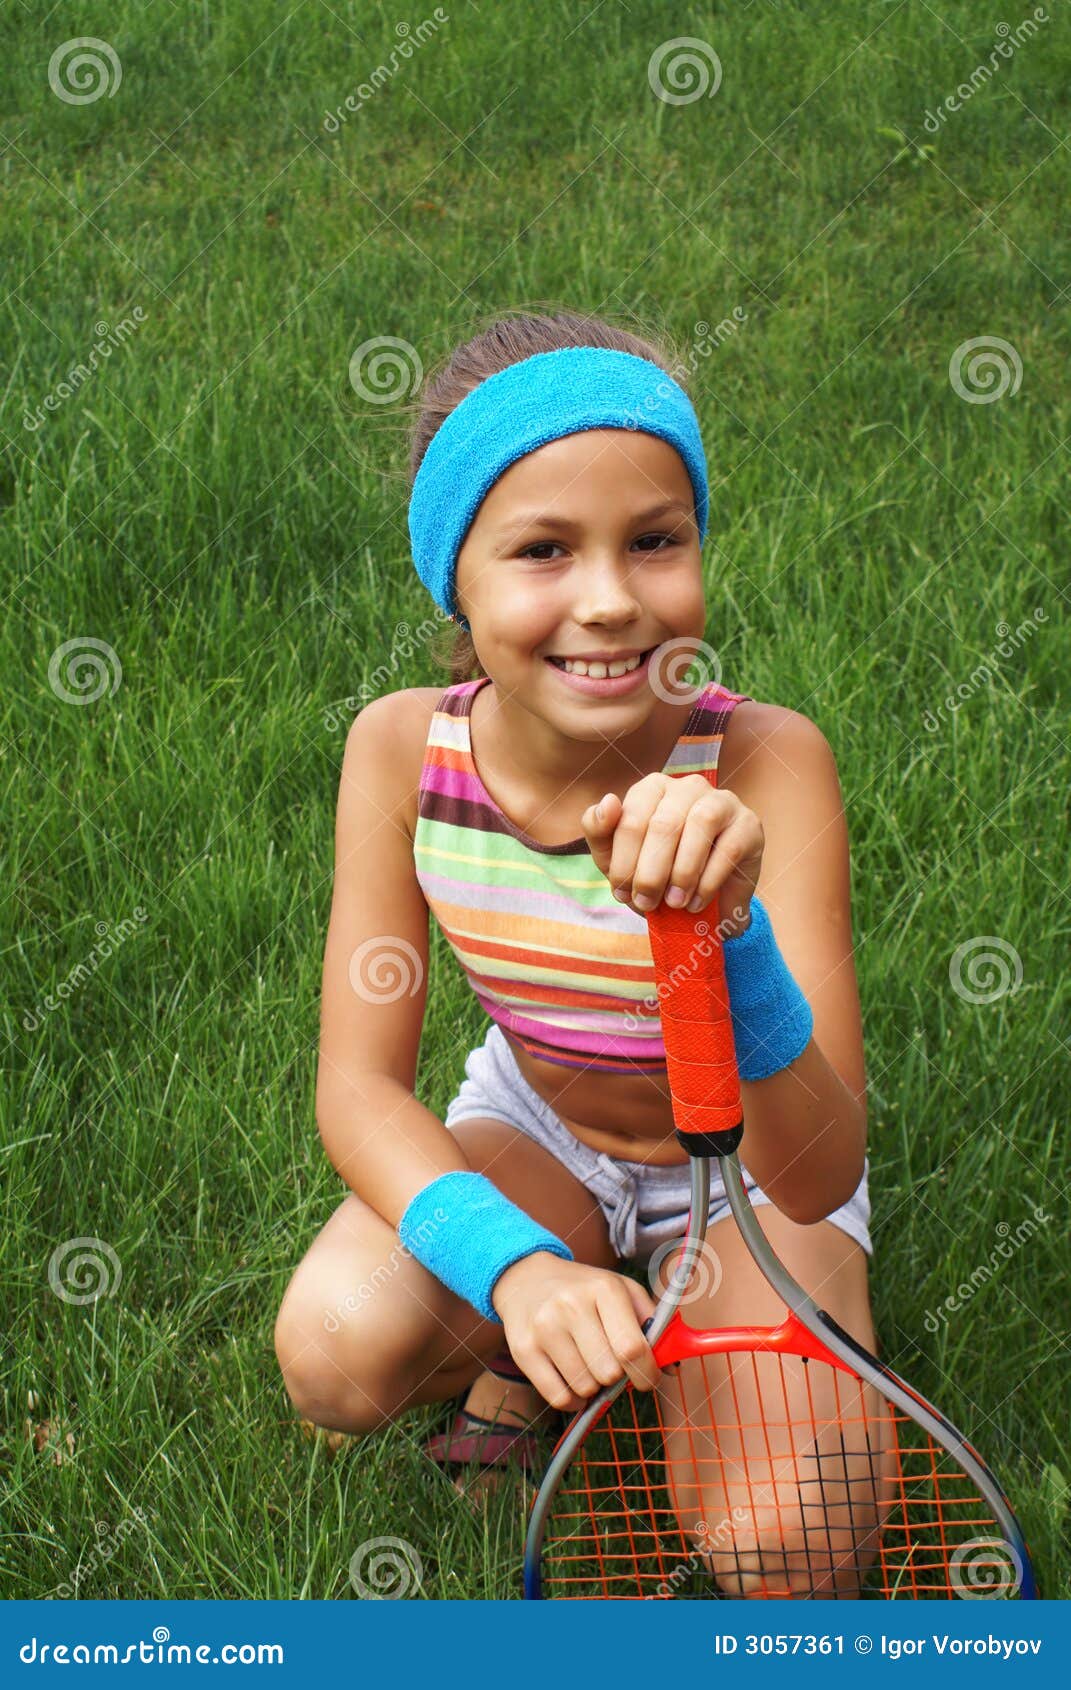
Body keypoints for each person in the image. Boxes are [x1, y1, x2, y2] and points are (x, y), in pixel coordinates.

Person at [274, 310, 877, 1595]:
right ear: (459, 580)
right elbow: (360, 1087)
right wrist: (520, 1264)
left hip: (750, 1186)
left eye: (654, 540)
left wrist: (731, 933)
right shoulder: (399, 750)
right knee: (333, 1348)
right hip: (542, 1135)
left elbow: (820, 1169)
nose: (610, 599)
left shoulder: (768, 762)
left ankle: (682, 1343)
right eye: (542, 549)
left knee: (793, 1546)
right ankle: (579, 1302)